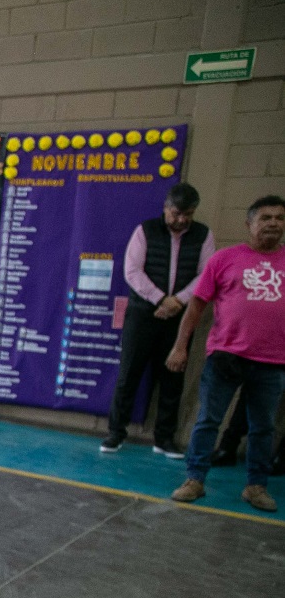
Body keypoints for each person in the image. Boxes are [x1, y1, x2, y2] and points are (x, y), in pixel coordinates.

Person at [168, 195, 285, 512]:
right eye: (265, 217)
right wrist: (180, 346)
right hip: (226, 355)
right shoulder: (224, 259)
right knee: (208, 420)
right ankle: (194, 480)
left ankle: (256, 487)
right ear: (249, 223)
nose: (273, 223)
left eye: (279, 218)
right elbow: (195, 307)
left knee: (263, 427)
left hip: (273, 361)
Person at [102, 183, 216, 456]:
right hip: (143, 315)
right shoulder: (145, 230)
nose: (182, 219)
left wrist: (178, 301)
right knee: (129, 374)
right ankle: (116, 433)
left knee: (172, 377)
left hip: (180, 317)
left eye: (188, 214)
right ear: (166, 208)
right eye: (177, 213)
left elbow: (206, 274)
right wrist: (161, 299)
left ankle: (164, 439)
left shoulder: (203, 235)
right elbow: (132, 271)